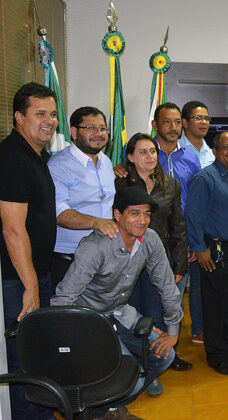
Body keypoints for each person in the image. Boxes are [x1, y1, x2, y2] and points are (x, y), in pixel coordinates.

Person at [52, 187, 182, 420]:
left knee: (166, 356)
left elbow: (167, 286)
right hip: (89, 323)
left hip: (121, 314)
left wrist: (172, 331)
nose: (142, 220)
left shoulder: (150, 239)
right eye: (134, 213)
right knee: (131, 379)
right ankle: (108, 409)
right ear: (117, 215)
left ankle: (107, 408)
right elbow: (62, 301)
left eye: (147, 214)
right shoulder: (96, 247)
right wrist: (73, 347)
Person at [115, 102, 198, 370]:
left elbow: (178, 226)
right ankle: (138, 361)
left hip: (158, 259)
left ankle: (159, 360)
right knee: (132, 314)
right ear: (130, 157)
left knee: (156, 312)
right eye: (142, 152)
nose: (150, 156)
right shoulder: (120, 183)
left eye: (152, 151)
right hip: (126, 260)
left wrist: (179, 264)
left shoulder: (169, 184)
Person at [0, 82, 57, 420]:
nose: (49, 121)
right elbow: (12, 228)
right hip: (18, 280)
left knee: (38, 354)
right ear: (19, 117)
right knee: (24, 358)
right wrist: (31, 287)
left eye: (52, 114)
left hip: (36, 274)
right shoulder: (12, 159)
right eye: (40, 114)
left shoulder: (37, 155)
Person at [185, 132, 228, 375]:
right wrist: (199, 249)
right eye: (227, 147)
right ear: (215, 151)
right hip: (216, 251)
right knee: (216, 304)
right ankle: (216, 355)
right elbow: (193, 217)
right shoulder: (205, 179)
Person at [48, 106, 117, 288]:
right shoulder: (58, 166)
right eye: (90, 128)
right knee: (71, 316)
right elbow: (59, 213)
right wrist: (97, 222)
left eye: (102, 128)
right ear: (74, 132)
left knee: (101, 314)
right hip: (70, 260)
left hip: (104, 256)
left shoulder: (106, 162)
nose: (98, 133)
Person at [179, 101, 213, 343]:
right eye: (198, 118)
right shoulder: (176, 151)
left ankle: (201, 328)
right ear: (185, 123)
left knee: (203, 281)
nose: (204, 123)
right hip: (182, 227)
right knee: (179, 283)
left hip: (210, 225)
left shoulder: (212, 153)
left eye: (206, 118)